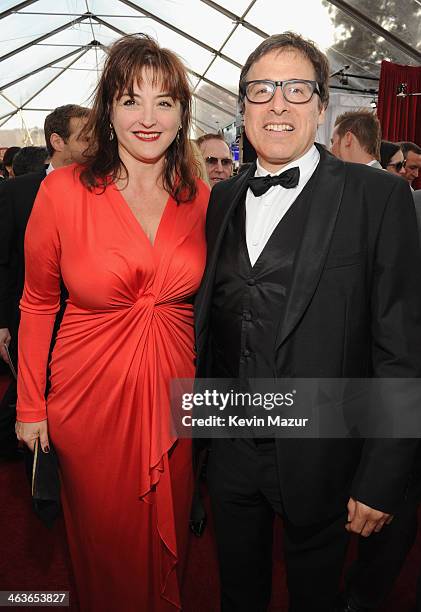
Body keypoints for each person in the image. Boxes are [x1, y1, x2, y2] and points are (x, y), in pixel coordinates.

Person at [194, 31, 421, 612]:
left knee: (313, 597)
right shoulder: (221, 199)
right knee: (235, 591)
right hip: (229, 443)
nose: (277, 104)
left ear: (322, 106)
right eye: (261, 89)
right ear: (241, 105)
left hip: (325, 450)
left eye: (297, 89)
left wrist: (384, 474)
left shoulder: (380, 198)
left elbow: (401, 347)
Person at [15, 34, 208, 612]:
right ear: (108, 110)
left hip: (178, 396)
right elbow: (37, 302)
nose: (147, 118)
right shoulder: (62, 191)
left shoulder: (199, 196)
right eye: (130, 100)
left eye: (164, 102)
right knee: (108, 550)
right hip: (89, 401)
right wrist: (29, 405)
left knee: (172, 538)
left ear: (182, 113)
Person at [0, 104, 89, 462]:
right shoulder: (18, 191)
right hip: (31, 319)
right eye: (85, 137)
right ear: (58, 140)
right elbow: (3, 259)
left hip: (84, 324)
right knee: (31, 394)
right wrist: (2, 322)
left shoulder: (103, 187)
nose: (95, 144)